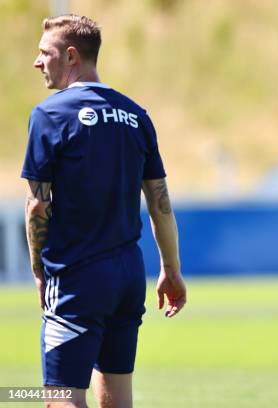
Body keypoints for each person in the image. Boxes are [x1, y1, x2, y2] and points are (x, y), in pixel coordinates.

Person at [23, 14, 186, 408]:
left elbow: (36, 207)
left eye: (45, 53)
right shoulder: (136, 115)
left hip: (76, 274)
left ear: (71, 56)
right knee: (117, 394)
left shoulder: (49, 115)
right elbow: (160, 203)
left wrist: (39, 271)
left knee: (61, 395)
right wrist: (171, 269)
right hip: (128, 275)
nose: (37, 61)